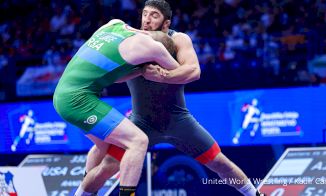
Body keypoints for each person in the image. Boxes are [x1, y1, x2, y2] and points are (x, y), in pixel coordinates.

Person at [86, 1, 264, 195]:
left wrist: (164, 75)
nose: (147, 19)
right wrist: (137, 70)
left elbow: (194, 71)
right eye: (145, 14)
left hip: (179, 121)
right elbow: (114, 77)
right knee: (107, 167)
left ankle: (255, 194)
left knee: (221, 164)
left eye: (154, 15)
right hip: (141, 123)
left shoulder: (179, 39)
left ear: (166, 23)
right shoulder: (131, 40)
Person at [53, 18, 180, 196]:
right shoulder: (156, 48)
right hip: (77, 100)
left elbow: (115, 76)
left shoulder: (115, 24)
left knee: (102, 145)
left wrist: (140, 70)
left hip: (62, 93)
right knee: (138, 141)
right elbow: (182, 74)